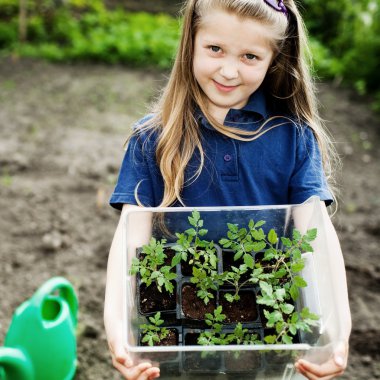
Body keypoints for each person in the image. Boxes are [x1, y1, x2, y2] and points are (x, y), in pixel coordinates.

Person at [104, 0, 351, 379]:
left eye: (250, 56)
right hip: (174, 338)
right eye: (215, 49)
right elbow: (131, 241)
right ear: (191, 43)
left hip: (269, 331)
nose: (229, 70)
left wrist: (338, 330)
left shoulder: (293, 138)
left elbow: (315, 232)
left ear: (275, 60)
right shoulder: (153, 138)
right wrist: (120, 328)